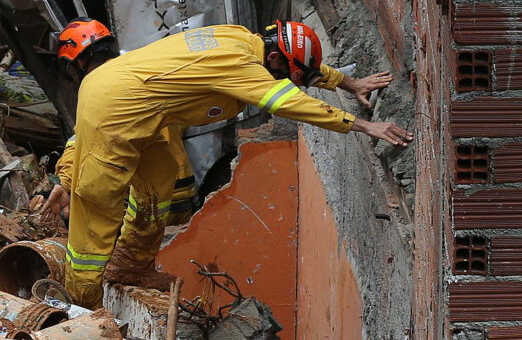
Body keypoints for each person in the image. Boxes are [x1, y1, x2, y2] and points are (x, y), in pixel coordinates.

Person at [63, 20, 410, 307]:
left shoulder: (242, 39)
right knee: (97, 209)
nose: (284, 81)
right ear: (273, 56)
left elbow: (295, 65)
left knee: (159, 179)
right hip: (113, 109)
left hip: (135, 102)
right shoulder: (242, 67)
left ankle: (132, 265)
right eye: (284, 74)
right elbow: (291, 103)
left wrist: (347, 82)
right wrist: (363, 125)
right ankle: (82, 306)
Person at [39, 19, 197, 287]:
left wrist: (66, 180)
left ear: (78, 63)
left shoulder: (103, 92)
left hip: (144, 202)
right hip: (182, 194)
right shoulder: (141, 71)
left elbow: (83, 142)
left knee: (95, 238)